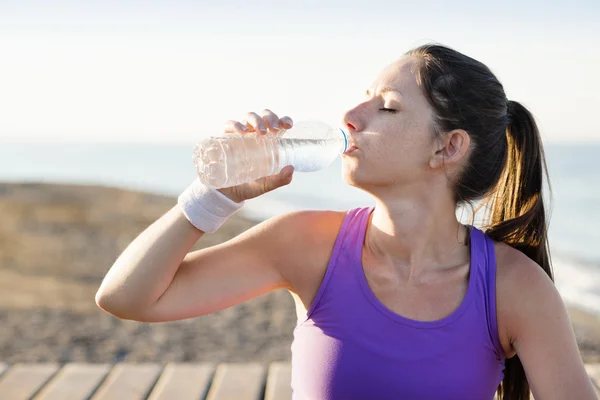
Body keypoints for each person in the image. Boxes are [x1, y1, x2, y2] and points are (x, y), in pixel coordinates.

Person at [95, 44, 597, 400]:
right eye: (363, 97)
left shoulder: (513, 287)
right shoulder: (307, 244)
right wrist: (213, 198)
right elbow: (126, 297)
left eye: (387, 106)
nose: (351, 115)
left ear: (448, 147)